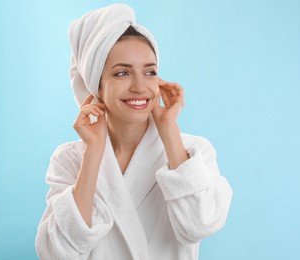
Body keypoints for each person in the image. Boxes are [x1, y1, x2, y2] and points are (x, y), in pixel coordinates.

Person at [35, 3, 233, 260]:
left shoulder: (193, 152)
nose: (140, 86)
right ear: (98, 86)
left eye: (150, 72)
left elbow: (200, 224)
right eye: (122, 73)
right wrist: (94, 152)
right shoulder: (69, 160)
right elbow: (56, 253)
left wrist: (169, 130)